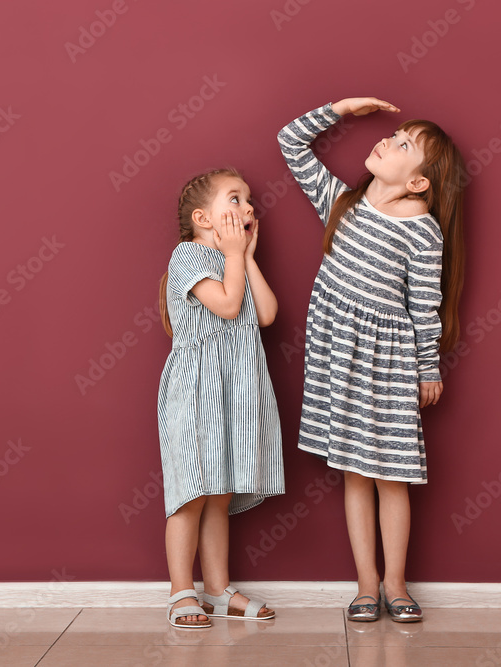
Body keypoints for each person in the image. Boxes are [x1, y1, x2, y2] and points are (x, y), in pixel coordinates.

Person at [278, 97, 465, 622]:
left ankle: (396, 584)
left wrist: (427, 368)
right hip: (339, 358)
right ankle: (365, 584)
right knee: (355, 474)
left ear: (419, 182)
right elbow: (289, 141)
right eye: (394, 135)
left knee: (392, 475)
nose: (387, 140)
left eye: (404, 144)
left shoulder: (423, 231)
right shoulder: (342, 203)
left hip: (388, 361)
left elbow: (424, 306)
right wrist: (339, 109)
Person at [157, 168, 284, 629]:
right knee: (192, 492)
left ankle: (216, 588)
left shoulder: (236, 260)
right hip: (196, 393)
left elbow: (266, 313)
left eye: (249, 200)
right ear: (202, 217)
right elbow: (228, 306)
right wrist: (233, 254)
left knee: (219, 494)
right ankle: (180, 591)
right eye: (235, 199)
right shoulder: (187, 256)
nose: (248, 208)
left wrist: (246, 255)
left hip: (237, 392)